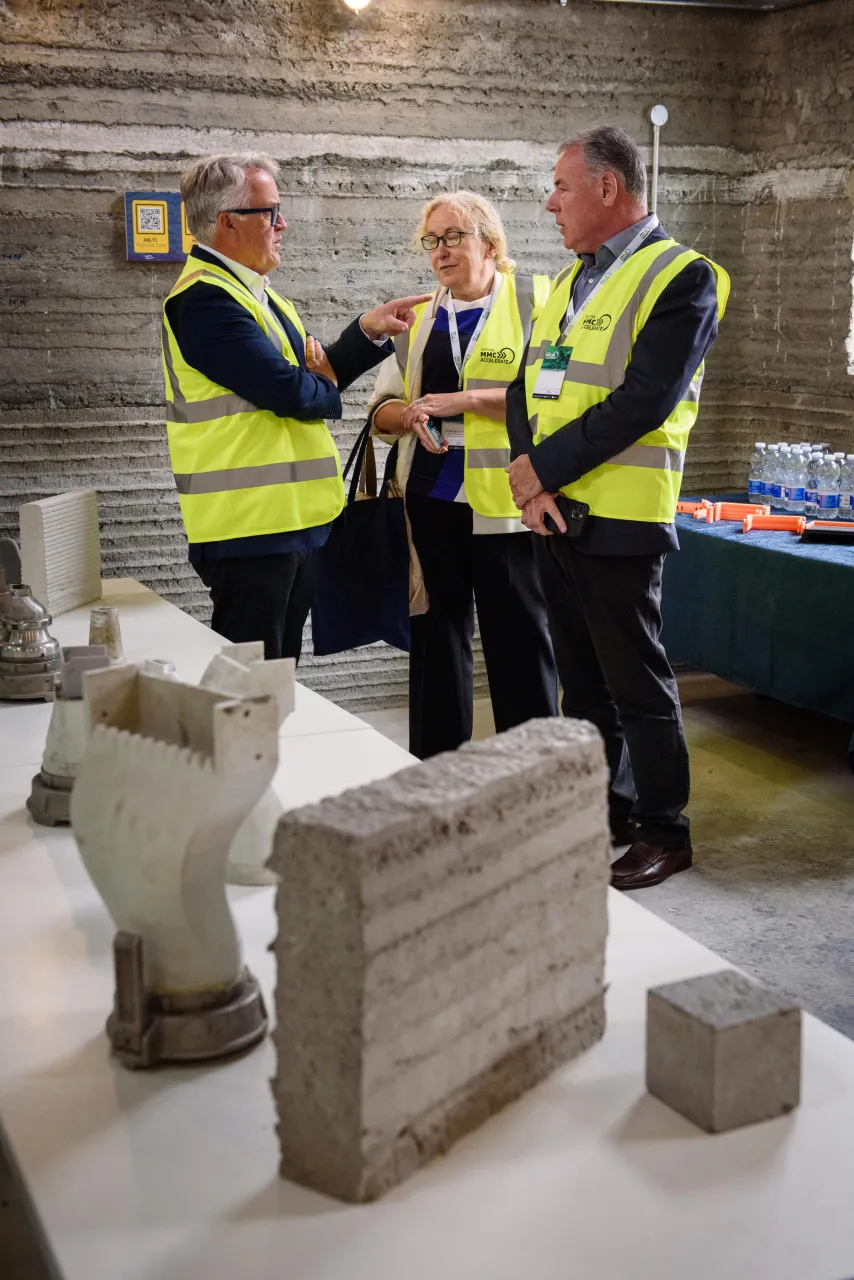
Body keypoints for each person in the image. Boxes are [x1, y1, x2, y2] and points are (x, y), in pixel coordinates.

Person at [506, 126, 730, 891]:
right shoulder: (570, 281)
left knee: (636, 683)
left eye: (561, 188)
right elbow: (523, 385)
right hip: (556, 511)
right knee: (581, 682)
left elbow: (645, 400)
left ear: (608, 187)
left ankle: (664, 829)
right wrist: (530, 479)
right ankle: (600, 808)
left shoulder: (682, 277)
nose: (549, 203)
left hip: (623, 515)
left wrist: (542, 468)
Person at [161, 151, 429, 661]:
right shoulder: (204, 301)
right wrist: (313, 385)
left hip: (289, 523)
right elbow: (292, 393)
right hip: (248, 528)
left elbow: (313, 375)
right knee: (250, 689)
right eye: (270, 211)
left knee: (280, 680)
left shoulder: (260, 295)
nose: (282, 224)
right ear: (226, 222)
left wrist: (365, 332)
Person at [361, 190, 558, 759]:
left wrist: (464, 401)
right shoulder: (415, 316)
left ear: (490, 244)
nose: (440, 251)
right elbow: (381, 413)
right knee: (436, 643)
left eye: (453, 237)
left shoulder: (539, 300)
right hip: (429, 500)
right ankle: (437, 774)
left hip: (510, 505)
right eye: (432, 241)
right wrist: (413, 411)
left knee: (520, 645)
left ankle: (537, 776)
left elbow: (551, 396)